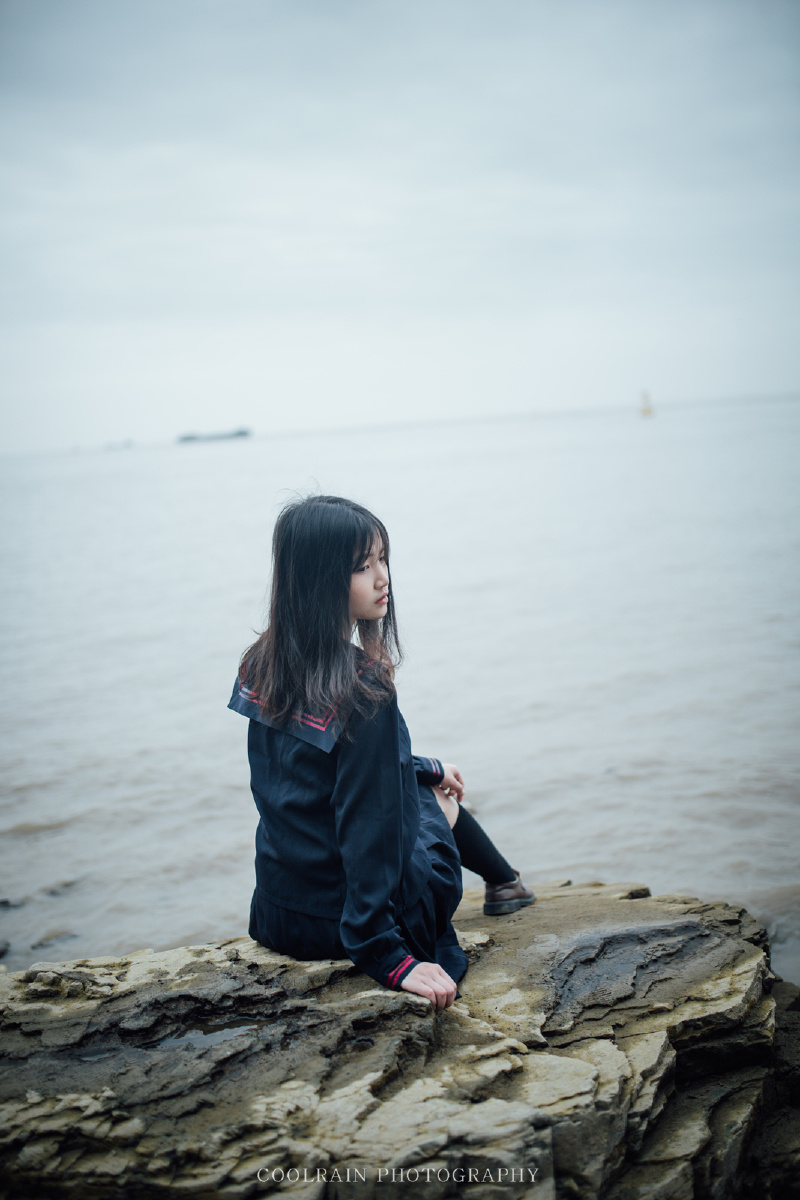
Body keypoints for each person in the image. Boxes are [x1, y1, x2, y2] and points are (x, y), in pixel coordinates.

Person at [228, 495, 534, 1012]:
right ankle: (506, 883)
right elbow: (370, 828)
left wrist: (427, 767)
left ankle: (506, 882)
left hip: (280, 915)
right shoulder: (363, 688)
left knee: (421, 784)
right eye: (362, 567)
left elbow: (314, 774)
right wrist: (391, 958)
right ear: (319, 577)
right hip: (349, 928)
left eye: (383, 560)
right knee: (438, 803)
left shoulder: (263, 661)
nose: (382, 579)